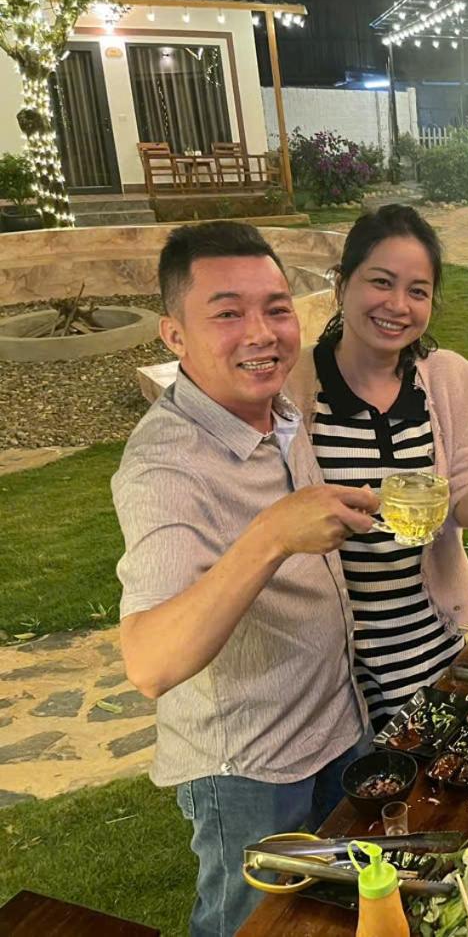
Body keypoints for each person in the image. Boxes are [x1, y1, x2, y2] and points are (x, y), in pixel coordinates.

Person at [112, 221, 376, 936]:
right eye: (227, 313)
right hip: (250, 770)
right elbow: (150, 662)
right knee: (251, 926)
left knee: (328, 918)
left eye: (277, 308)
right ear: (174, 335)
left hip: (335, 724)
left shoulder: (277, 412)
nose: (261, 333)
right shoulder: (164, 467)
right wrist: (272, 536)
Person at [286, 205, 468, 728]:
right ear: (342, 284)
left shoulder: (449, 380)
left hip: (432, 644)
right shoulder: (294, 386)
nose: (398, 305)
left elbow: (464, 504)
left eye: (418, 291)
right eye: (381, 282)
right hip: (332, 667)